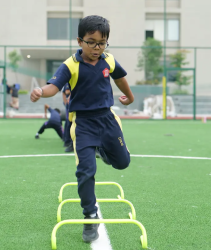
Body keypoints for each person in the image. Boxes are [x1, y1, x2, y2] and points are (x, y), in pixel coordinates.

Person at [30, 15, 134, 243]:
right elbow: (53, 86)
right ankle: (89, 217)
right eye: (91, 42)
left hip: (107, 119)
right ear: (79, 41)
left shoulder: (109, 60)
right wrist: (40, 92)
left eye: (102, 42)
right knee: (86, 171)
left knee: (123, 162)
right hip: (84, 124)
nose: (97, 48)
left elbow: (121, 78)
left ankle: (104, 151)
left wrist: (130, 96)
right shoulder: (71, 65)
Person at [62, 83, 73, 152]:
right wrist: (65, 102)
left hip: (72, 103)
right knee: (69, 122)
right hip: (70, 105)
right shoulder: (68, 82)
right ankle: (67, 141)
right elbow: (66, 91)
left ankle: (67, 141)